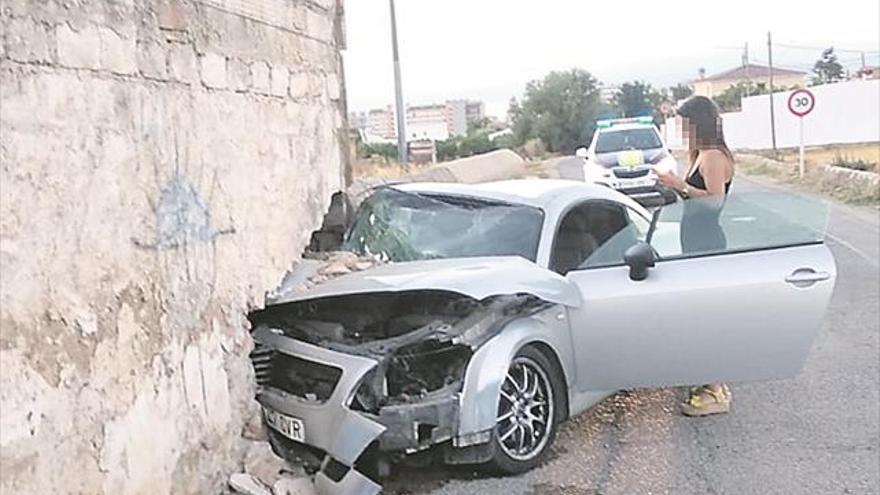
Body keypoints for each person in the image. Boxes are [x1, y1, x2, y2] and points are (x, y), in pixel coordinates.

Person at [654, 95, 735, 417]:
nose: (683, 130)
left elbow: (713, 202)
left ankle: (715, 390)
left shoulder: (714, 156)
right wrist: (672, 187)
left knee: (707, 319)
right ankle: (712, 383)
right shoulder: (701, 154)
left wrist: (680, 185)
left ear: (698, 123)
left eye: (685, 124)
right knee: (702, 316)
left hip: (708, 244)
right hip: (696, 242)